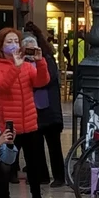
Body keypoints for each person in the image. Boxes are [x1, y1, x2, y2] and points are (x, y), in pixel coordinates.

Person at [0, 26, 52, 198]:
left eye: (16, 41)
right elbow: (1, 86)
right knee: (7, 165)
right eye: (9, 42)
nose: (14, 45)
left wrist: (40, 63)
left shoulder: (26, 65)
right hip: (8, 123)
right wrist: (15, 67)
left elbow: (41, 82)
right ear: (0, 45)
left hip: (29, 122)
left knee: (35, 163)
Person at [25, 27, 67, 185]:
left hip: (49, 109)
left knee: (54, 145)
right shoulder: (23, 63)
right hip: (33, 110)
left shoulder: (47, 60)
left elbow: (47, 79)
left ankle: (59, 177)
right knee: (36, 146)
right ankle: (41, 175)